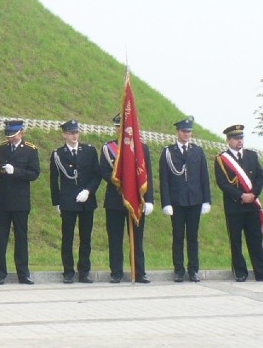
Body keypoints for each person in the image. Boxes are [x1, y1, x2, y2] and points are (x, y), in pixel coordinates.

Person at [99, 114, 154, 283]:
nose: (121, 130)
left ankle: (139, 272)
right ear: (116, 129)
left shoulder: (141, 148)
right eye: (118, 127)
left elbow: (147, 175)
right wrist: (121, 181)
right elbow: (104, 171)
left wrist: (150, 199)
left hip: (136, 200)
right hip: (115, 199)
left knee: (137, 238)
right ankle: (116, 272)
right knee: (115, 238)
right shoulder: (108, 148)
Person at [159, 116, 211, 282]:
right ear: (178, 132)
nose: (186, 134)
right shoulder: (168, 152)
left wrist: (206, 200)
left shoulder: (197, 151)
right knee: (178, 236)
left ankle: (194, 270)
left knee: (193, 237)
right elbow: (164, 180)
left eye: (189, 131)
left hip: (195, 200)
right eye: (184, 131)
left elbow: (204, 177)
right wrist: (166, 202)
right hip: (177, 201)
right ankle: (179, 270)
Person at [49, 119, 102, 283]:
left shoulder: (89, 150)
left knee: (85, 238)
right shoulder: (58, 154)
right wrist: (56, 202)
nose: (74, 135)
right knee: (68, 237)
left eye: (76, 132)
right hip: (68, 201)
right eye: (71, 133)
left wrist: (88, 191)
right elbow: (54, 179)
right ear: (64, 134)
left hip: (86, 200)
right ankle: (68, 271)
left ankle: (84, 271)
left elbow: (97, 174)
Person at [0, 120, 40, 285]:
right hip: (4, 199)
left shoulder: (30, 150)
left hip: (20, 200)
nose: (10, 139)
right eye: (9, 136)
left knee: (21, 238)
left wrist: (16, 171)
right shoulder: (1, 148)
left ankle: (23, 273)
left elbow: (34, 173)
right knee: (1, 237)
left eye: (13, 135)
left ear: (21, 133)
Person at [213, 124, 263, 282]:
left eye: (241, 138)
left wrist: (253, 194)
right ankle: (240, 272)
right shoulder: (222, 159)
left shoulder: (252, 156)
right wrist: (241, 195)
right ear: (228, 140)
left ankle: (260, 271)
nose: (239, 141)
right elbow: (223, 184)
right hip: (234, 206)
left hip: (252, 206)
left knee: (255, 239)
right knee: (235, 240)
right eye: (235, 138)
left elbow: (260, 177)